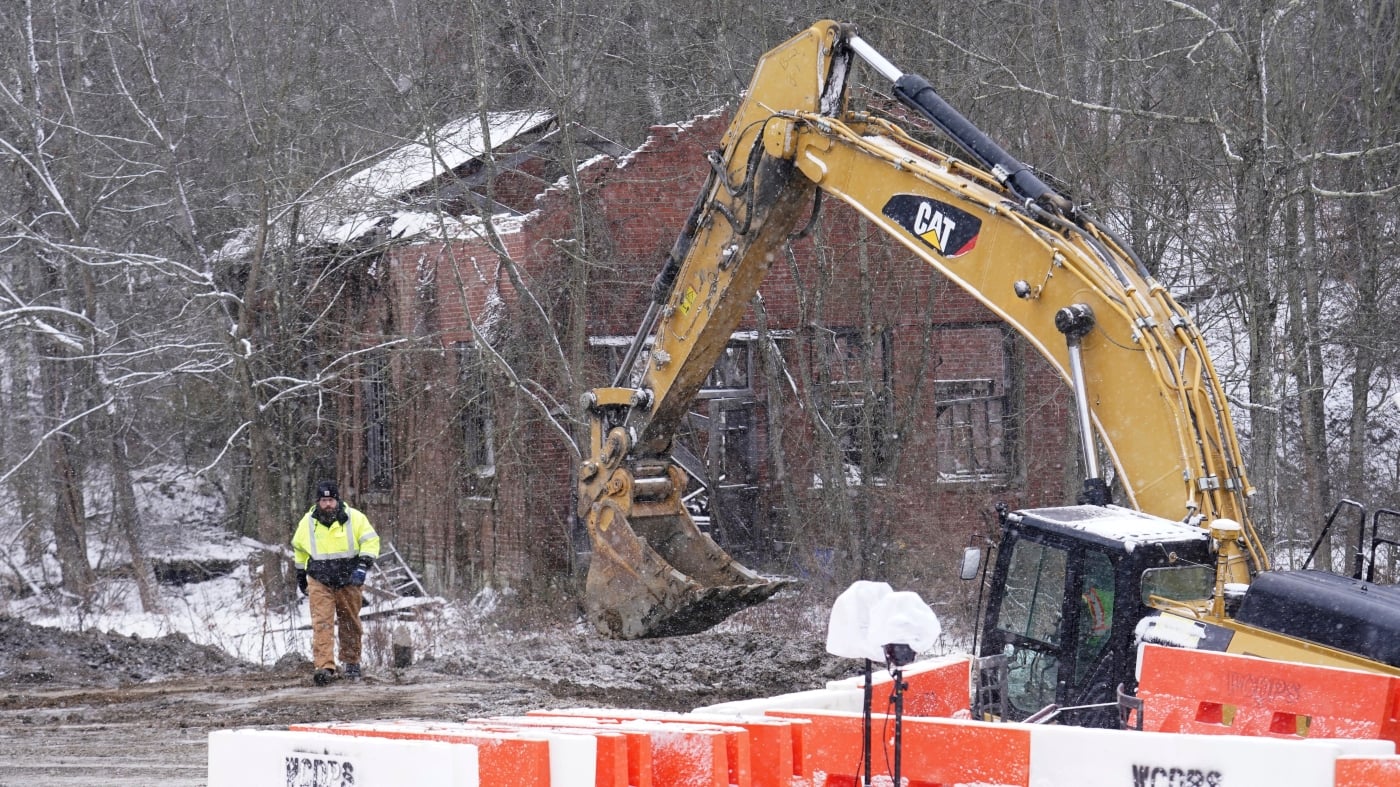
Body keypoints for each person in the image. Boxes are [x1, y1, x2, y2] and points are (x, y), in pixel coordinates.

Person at [292, 480, 380, 685]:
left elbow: (371, 541)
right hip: (319, 579)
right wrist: (300, 574)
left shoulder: (355, 518)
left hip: (348, 578)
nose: (328, 505)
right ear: (318, 502)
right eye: (324, 500)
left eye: (331, 500)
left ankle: (351, 662)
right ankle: (324, 667)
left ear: (337, 500)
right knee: (321, 622)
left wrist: (363, 565)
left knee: (349, 621)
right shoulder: (307, 522)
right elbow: (299, 548)